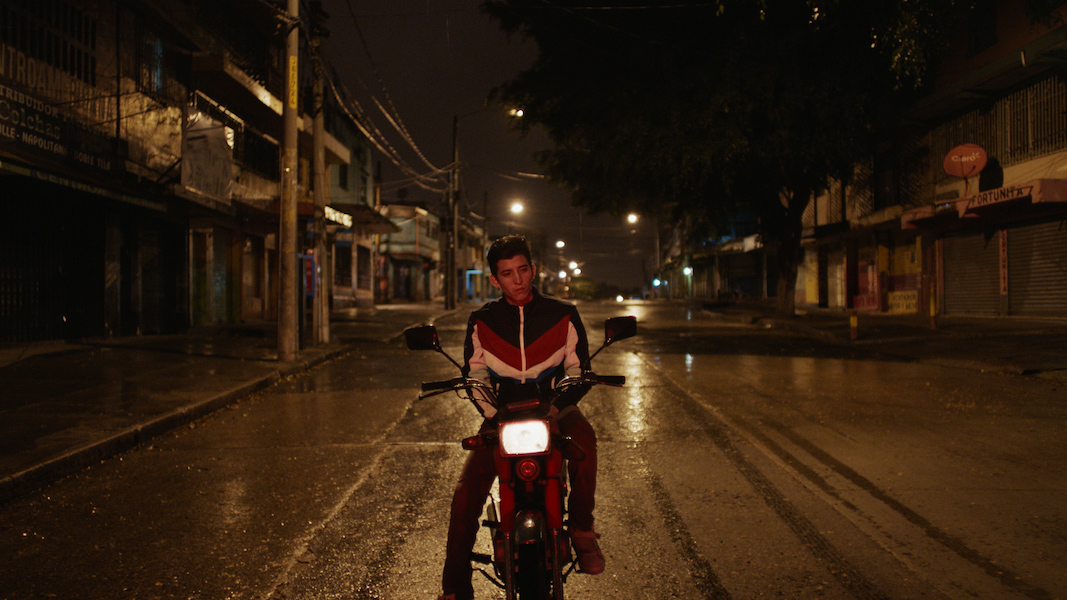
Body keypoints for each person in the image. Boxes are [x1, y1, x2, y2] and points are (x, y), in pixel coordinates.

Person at [438, 235, 604, 600]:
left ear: (534, 270)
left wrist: (559, 404)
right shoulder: (482, 320)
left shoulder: (562, 314)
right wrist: (493, 414)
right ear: (495, 280)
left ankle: (581, 529)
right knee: (466, 493)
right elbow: (476, 375)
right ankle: (454, 587)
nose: (518, 280)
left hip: (556, 407)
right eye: (507, 273)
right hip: (502, 416)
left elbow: (578, 369)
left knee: (586, 443)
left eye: (523, 269)